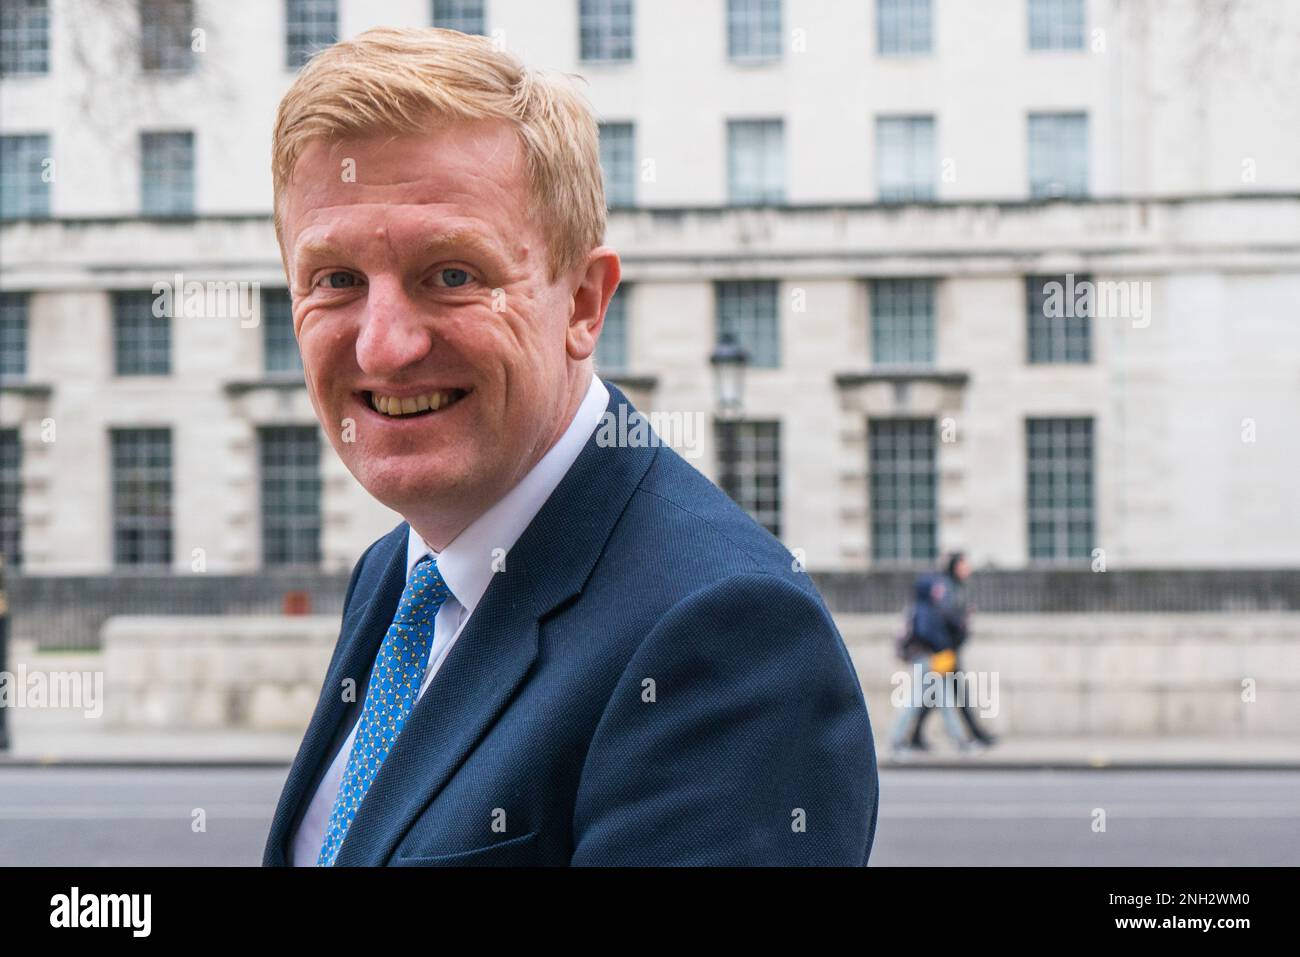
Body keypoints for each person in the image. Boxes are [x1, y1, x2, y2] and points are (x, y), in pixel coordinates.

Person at [260, 27, 878, 867]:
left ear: (584, 303)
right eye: (335, 281)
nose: (384, 347)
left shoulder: (728, 634)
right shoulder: (397, 571)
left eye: (451, 274)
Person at [910, 552, 997, 748]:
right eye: (963, 565)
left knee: (936, 693)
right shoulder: (945, 587)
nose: (967, 569)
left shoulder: (953, 586)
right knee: (952, 692)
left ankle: (916, 735)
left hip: (948, 649)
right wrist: (961, 621)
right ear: (955, 566)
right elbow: (944, 616)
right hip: (945, 650)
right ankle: (971, 735)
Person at [890, 574, 972, 754]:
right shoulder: (925, 609)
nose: (940, 591)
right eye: (936, 588)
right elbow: (927, 633)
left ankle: (960, 742)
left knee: (942, 702)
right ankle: (896, 742)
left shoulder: (921, 607)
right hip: (927, 660)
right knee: (925, 701)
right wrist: (943, 645)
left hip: (928, 660)